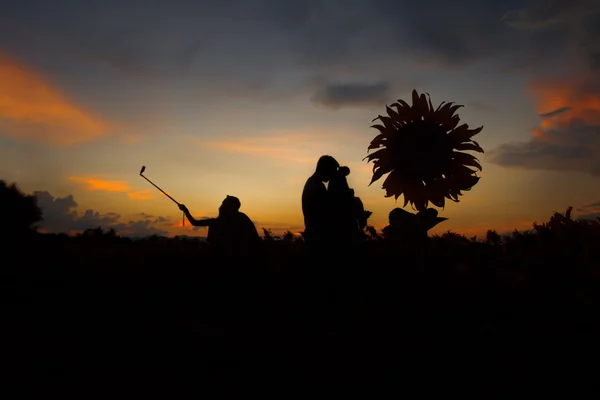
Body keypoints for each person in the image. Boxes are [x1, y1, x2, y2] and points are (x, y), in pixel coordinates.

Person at [178, 195, 261, 260]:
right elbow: (194, 222)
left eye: (224, 204)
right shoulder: (217, 221)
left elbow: (251, 242)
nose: (221, 206)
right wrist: (185, 210)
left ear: (232, 208)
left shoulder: (241, 220)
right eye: (222, 204)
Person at [301, 155, 339, 244]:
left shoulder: (311, 182)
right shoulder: (317, 186)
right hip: (318, 237)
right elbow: (327, 211)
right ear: (325, 169)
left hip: (313, 234)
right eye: (331, 172)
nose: (331, 177)